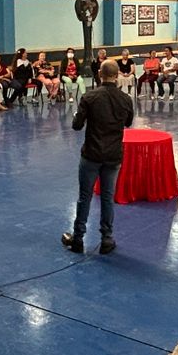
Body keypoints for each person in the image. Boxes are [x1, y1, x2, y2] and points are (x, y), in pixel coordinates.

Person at [63, 59, 133, 255]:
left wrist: (78, 113)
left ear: (100, 75)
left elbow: (77, 125)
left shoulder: (89, 97)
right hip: (113, 155)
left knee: (84, 197)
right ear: (117, 74)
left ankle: (77, 239)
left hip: (92, 154)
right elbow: (128, 123)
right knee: (108, 198)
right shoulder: (125, 99)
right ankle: (107, 239)